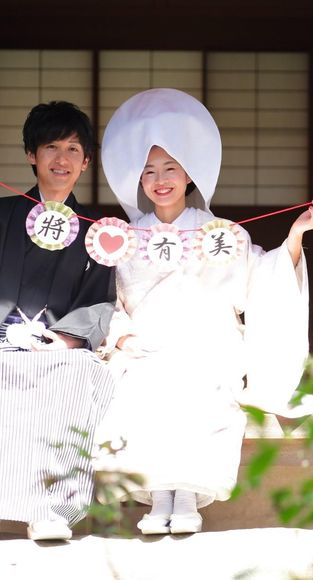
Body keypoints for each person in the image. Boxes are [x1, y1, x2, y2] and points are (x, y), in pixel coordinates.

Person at [97, 88, 313, 535]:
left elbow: (261, 279)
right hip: (145, 348)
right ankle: (158, 496)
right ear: (139, 181)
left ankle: (186, 497)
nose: (160, 179)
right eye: (149, 171)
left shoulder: (221, 233)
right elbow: (111, 300)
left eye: (170, 168)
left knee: (203, 384)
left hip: (209, 345)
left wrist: (295, 237)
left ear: (188, 174)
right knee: (140, 387)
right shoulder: (126, 237)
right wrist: (122, 335)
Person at [0, 101, 116, 540]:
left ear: (85, 162)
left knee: (74, 375)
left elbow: (101, 299)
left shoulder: (98, 231)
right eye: (51, 146)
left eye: (73, 149)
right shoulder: (1, 215)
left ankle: (50, 510)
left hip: (56, 346)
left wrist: (67, 338)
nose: (61, 159)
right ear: (32, 154)